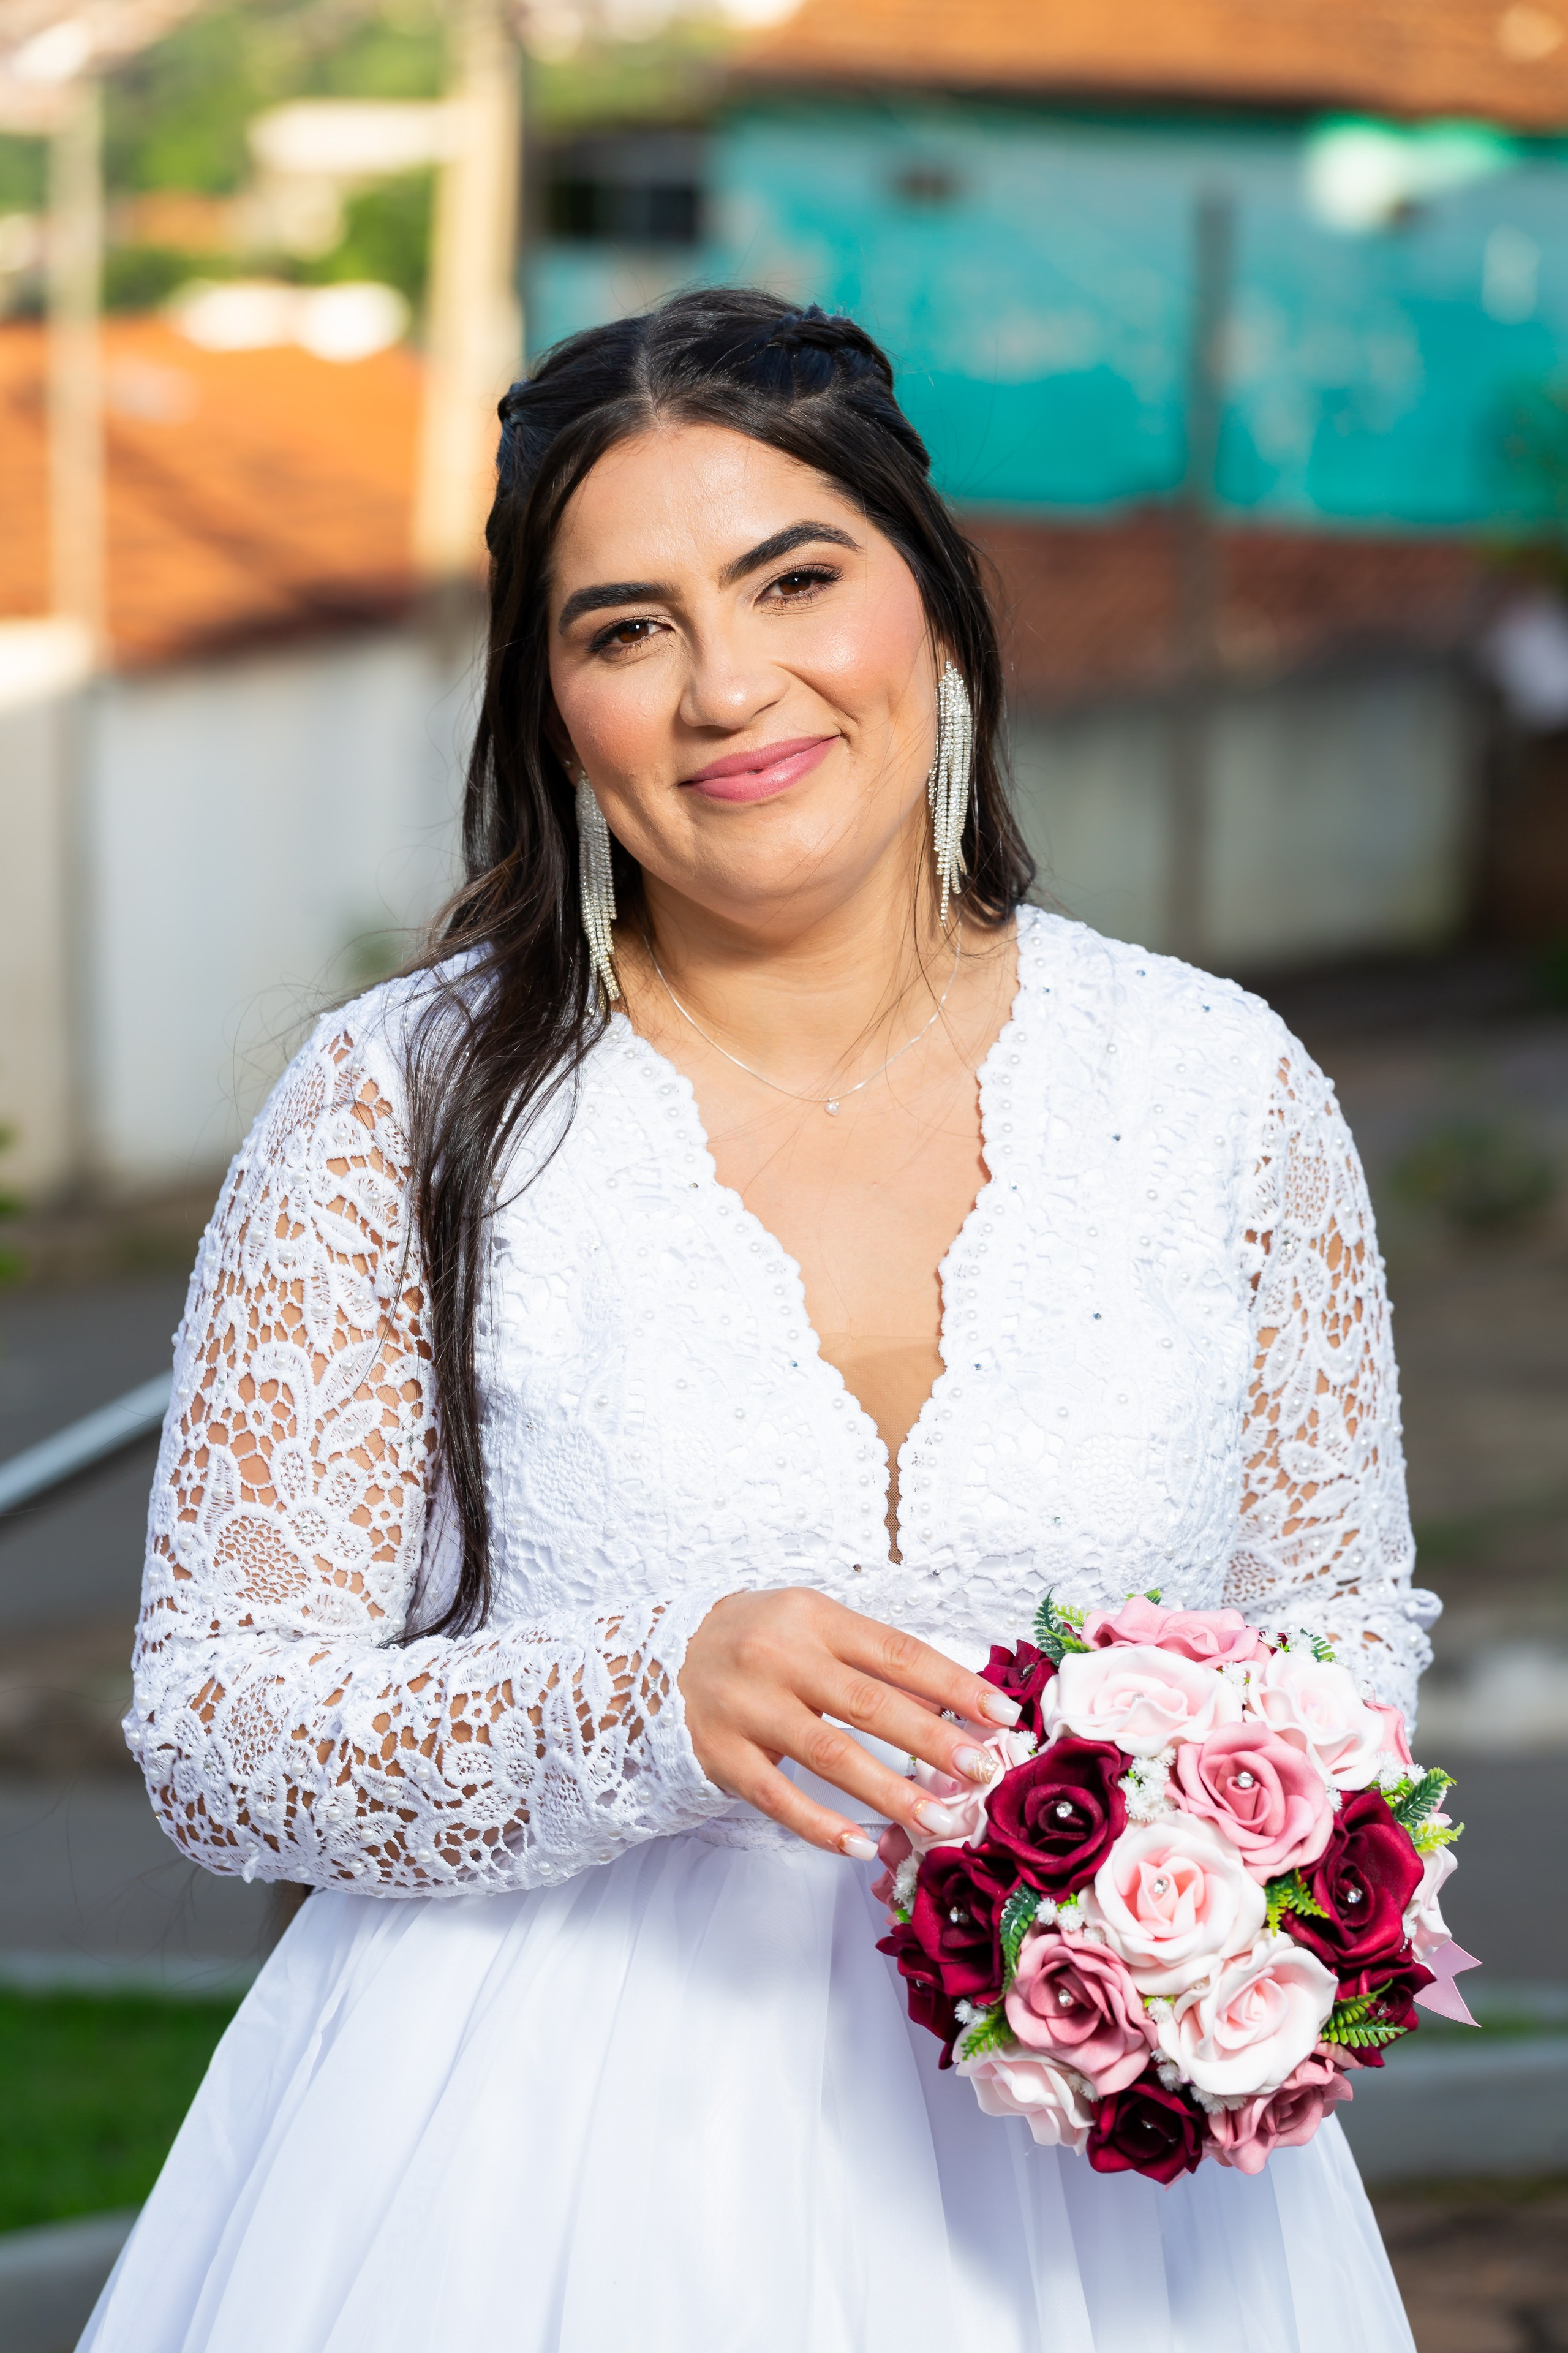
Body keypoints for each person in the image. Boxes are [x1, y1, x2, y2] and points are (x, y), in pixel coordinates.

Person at [81, 289, 1434, 2353]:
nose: (729, 686)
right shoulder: (399, 1104)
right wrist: (647, 1698)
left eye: (797, 578)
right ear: (552, 706)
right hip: (532, 2173)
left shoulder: (1220, 1085)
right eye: (626, 628)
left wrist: (1214, 1876)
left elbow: (1345, 1629)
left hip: (1115, 2214)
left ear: (935, 604)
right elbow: (217, 1726)